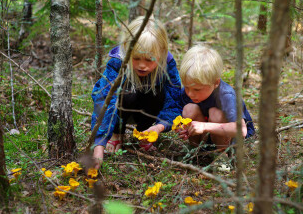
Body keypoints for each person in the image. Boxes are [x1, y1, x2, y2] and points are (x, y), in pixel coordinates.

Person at [91, 16, 182, 168]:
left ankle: (144, 133)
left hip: (149, 108)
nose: (142, 65)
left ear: (161, 53)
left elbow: (174, 100)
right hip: (123, 107)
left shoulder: (167, 64)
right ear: (127, 49)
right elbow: (105, 99)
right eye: (136, 58)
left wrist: (159, 126)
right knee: (121, 92)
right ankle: (117, 133)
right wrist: (99, 144)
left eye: (149, 60)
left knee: (160, 91)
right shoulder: (117, 61)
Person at [176, 45, 255, 150]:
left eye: (197, 89)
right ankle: (195, 153)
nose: (190, 94)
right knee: (189, 109)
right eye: (187, 87)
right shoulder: (188, 92)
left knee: (215, 113)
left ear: (216, 83)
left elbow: (242, 130)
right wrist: (183, 128)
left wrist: (204, 126)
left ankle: (222, 158)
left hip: (231, 140)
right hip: (207, 136)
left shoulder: (226, 96)